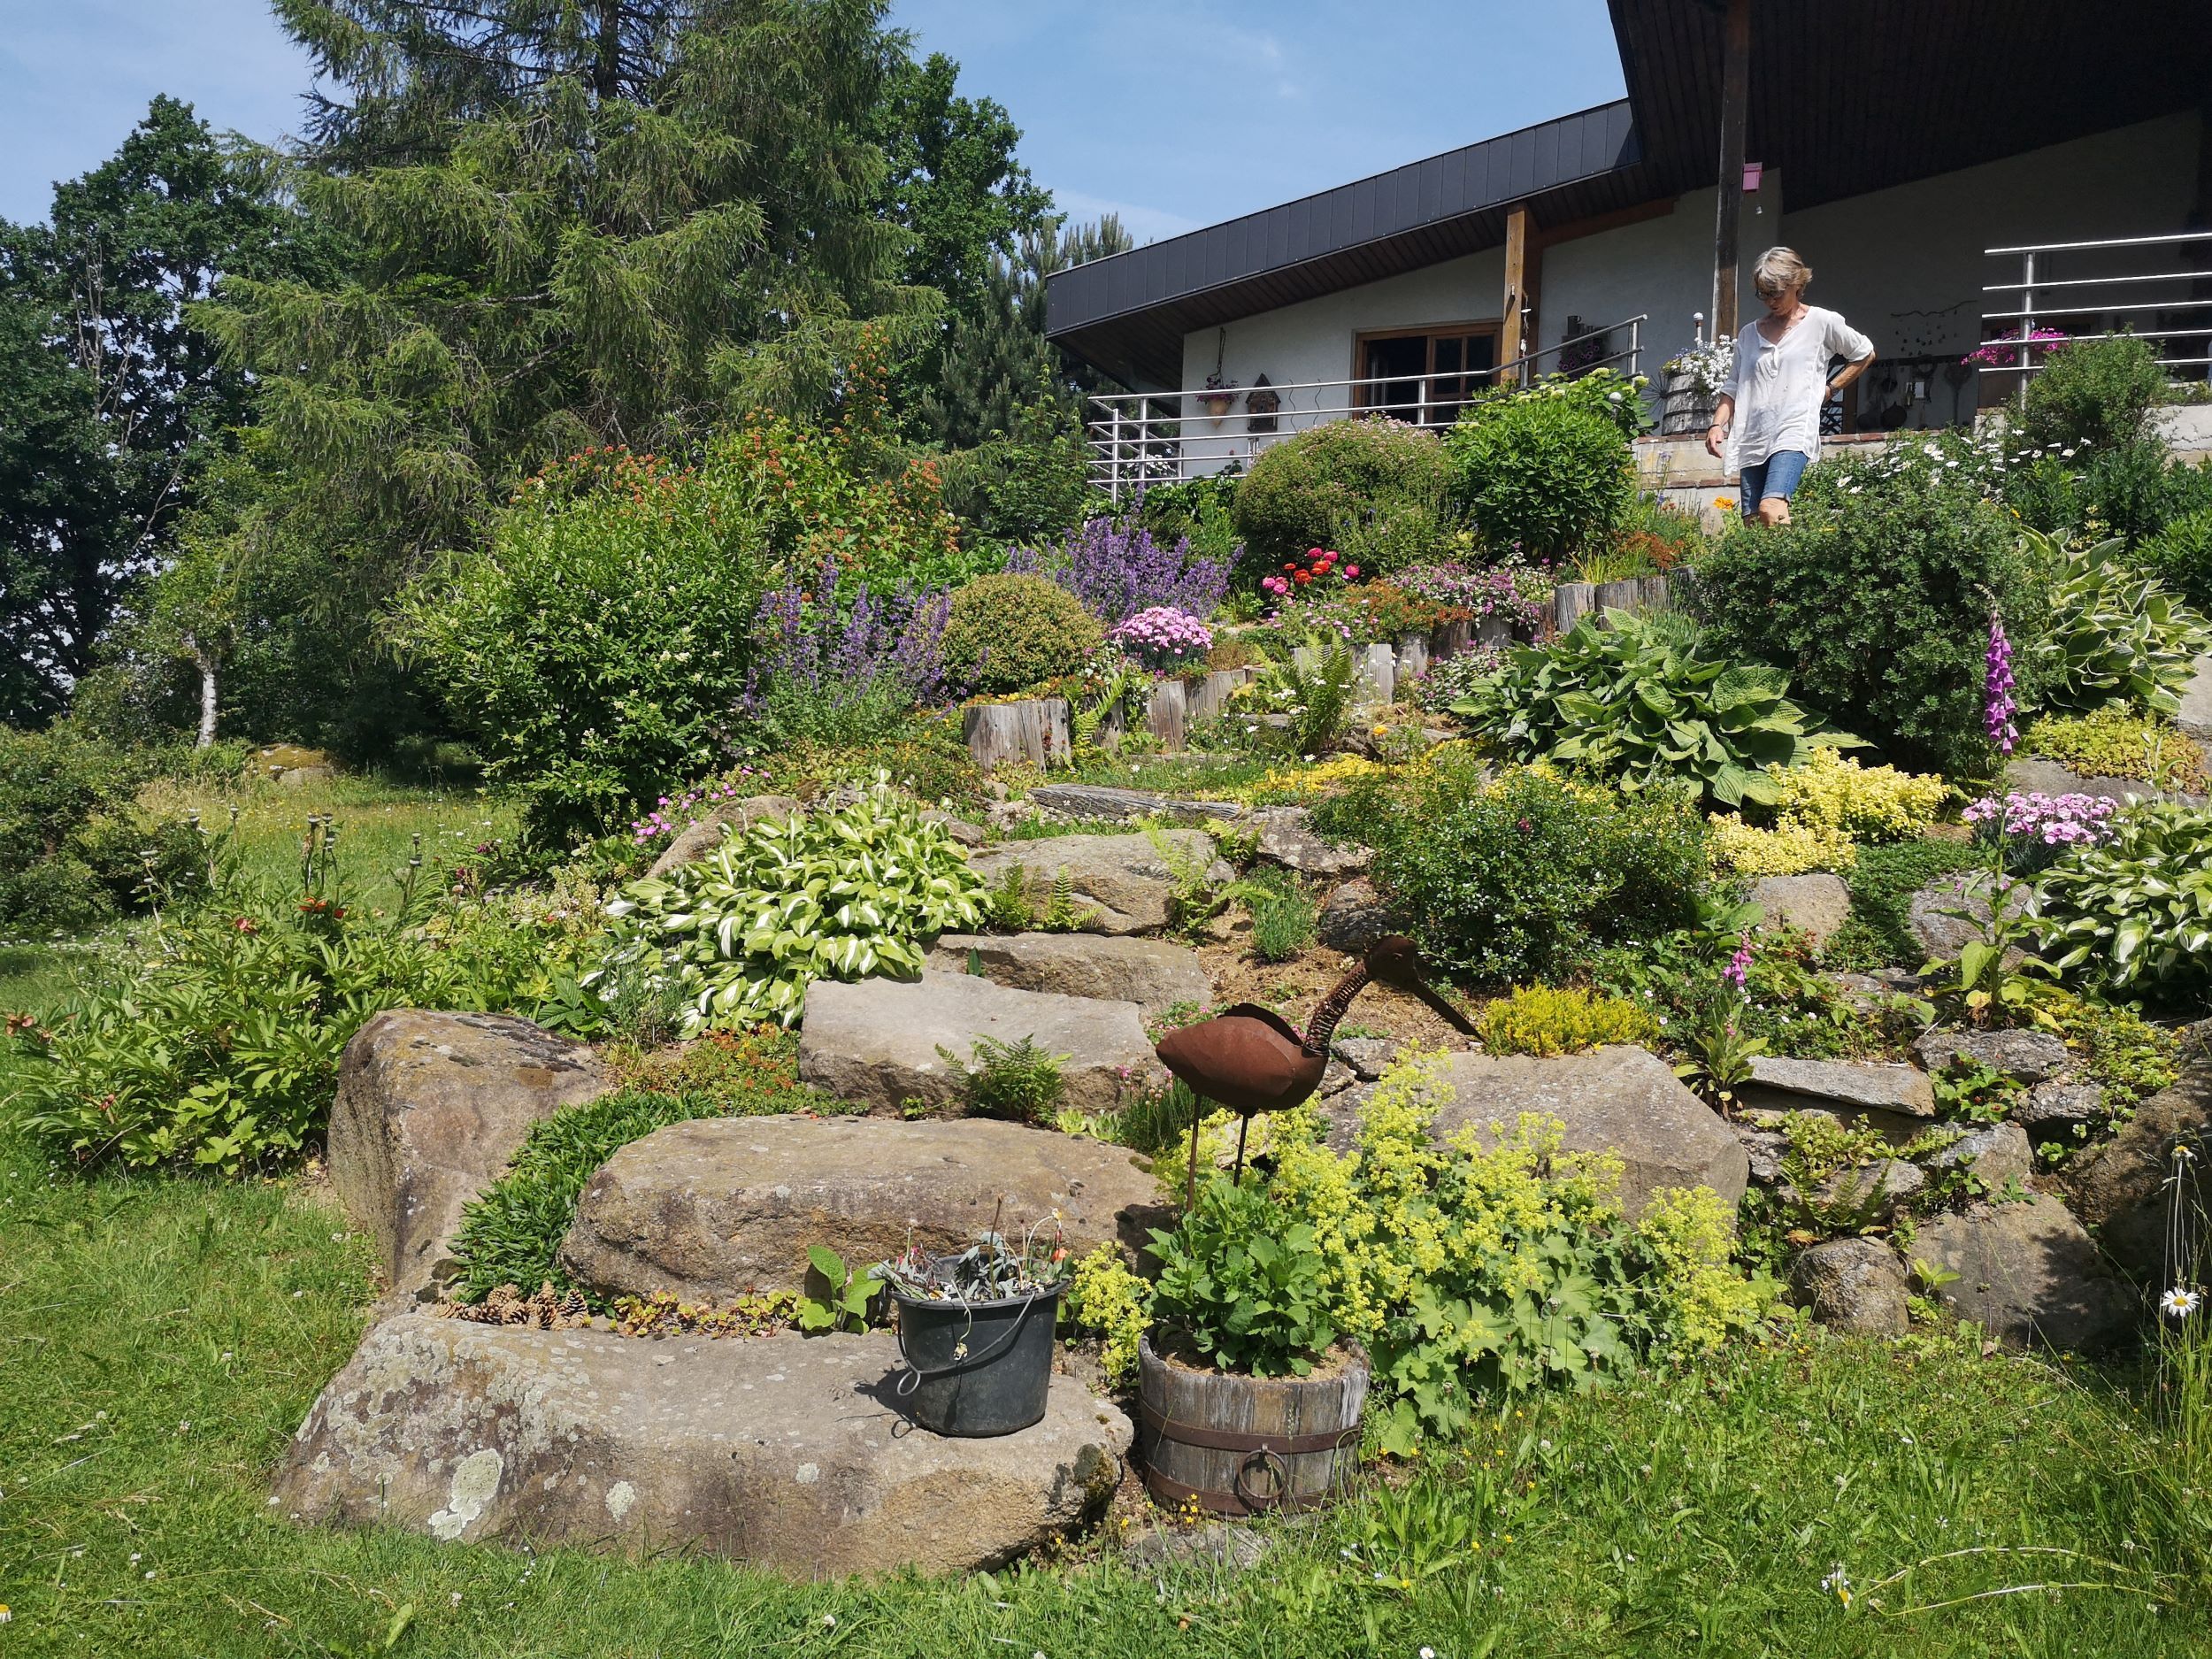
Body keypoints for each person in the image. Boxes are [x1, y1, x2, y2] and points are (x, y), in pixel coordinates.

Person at [1703, 248, 1877, 526]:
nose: (1770, 301)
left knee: (1771, 508)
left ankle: (1792, 555)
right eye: (1763, 294)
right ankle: (1782, 554)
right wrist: (1716, 425)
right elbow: (1733, 386)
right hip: (1753, 434)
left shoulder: (1821, 322)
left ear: (1796, 283)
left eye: (1776, 293)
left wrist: (1830, 389)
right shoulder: (1749, 334)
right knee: (1753, 523)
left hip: (1793, 429)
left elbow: (1864, 353)